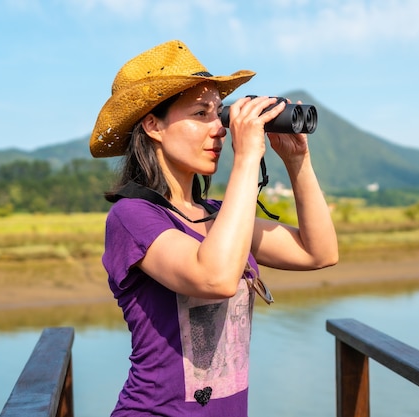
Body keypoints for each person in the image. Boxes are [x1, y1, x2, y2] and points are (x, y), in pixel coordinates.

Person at [90, 39, 338, 417]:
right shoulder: (132, 217)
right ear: (153, 125)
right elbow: (216, 278)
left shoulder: (220, 217)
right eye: (201, 113)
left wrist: (297, 160)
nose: (219, 129)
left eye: (220, 114)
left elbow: (318, 253)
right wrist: (247, 157)